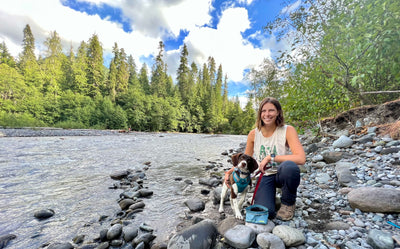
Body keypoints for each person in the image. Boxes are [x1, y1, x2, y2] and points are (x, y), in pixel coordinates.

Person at [225, 97, 305, 220]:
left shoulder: (288, 130)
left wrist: (270, 158)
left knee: (290, 167)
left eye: (271, 110)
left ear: (278, 112)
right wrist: (229, 173)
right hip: (265, 175)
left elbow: (301, 158)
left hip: (282, 173)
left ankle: (288, 203)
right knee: (266, 212)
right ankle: (272, 199)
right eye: (263, 111)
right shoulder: (253, 134)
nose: (267, 114)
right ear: (260, 113)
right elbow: (244, 161)